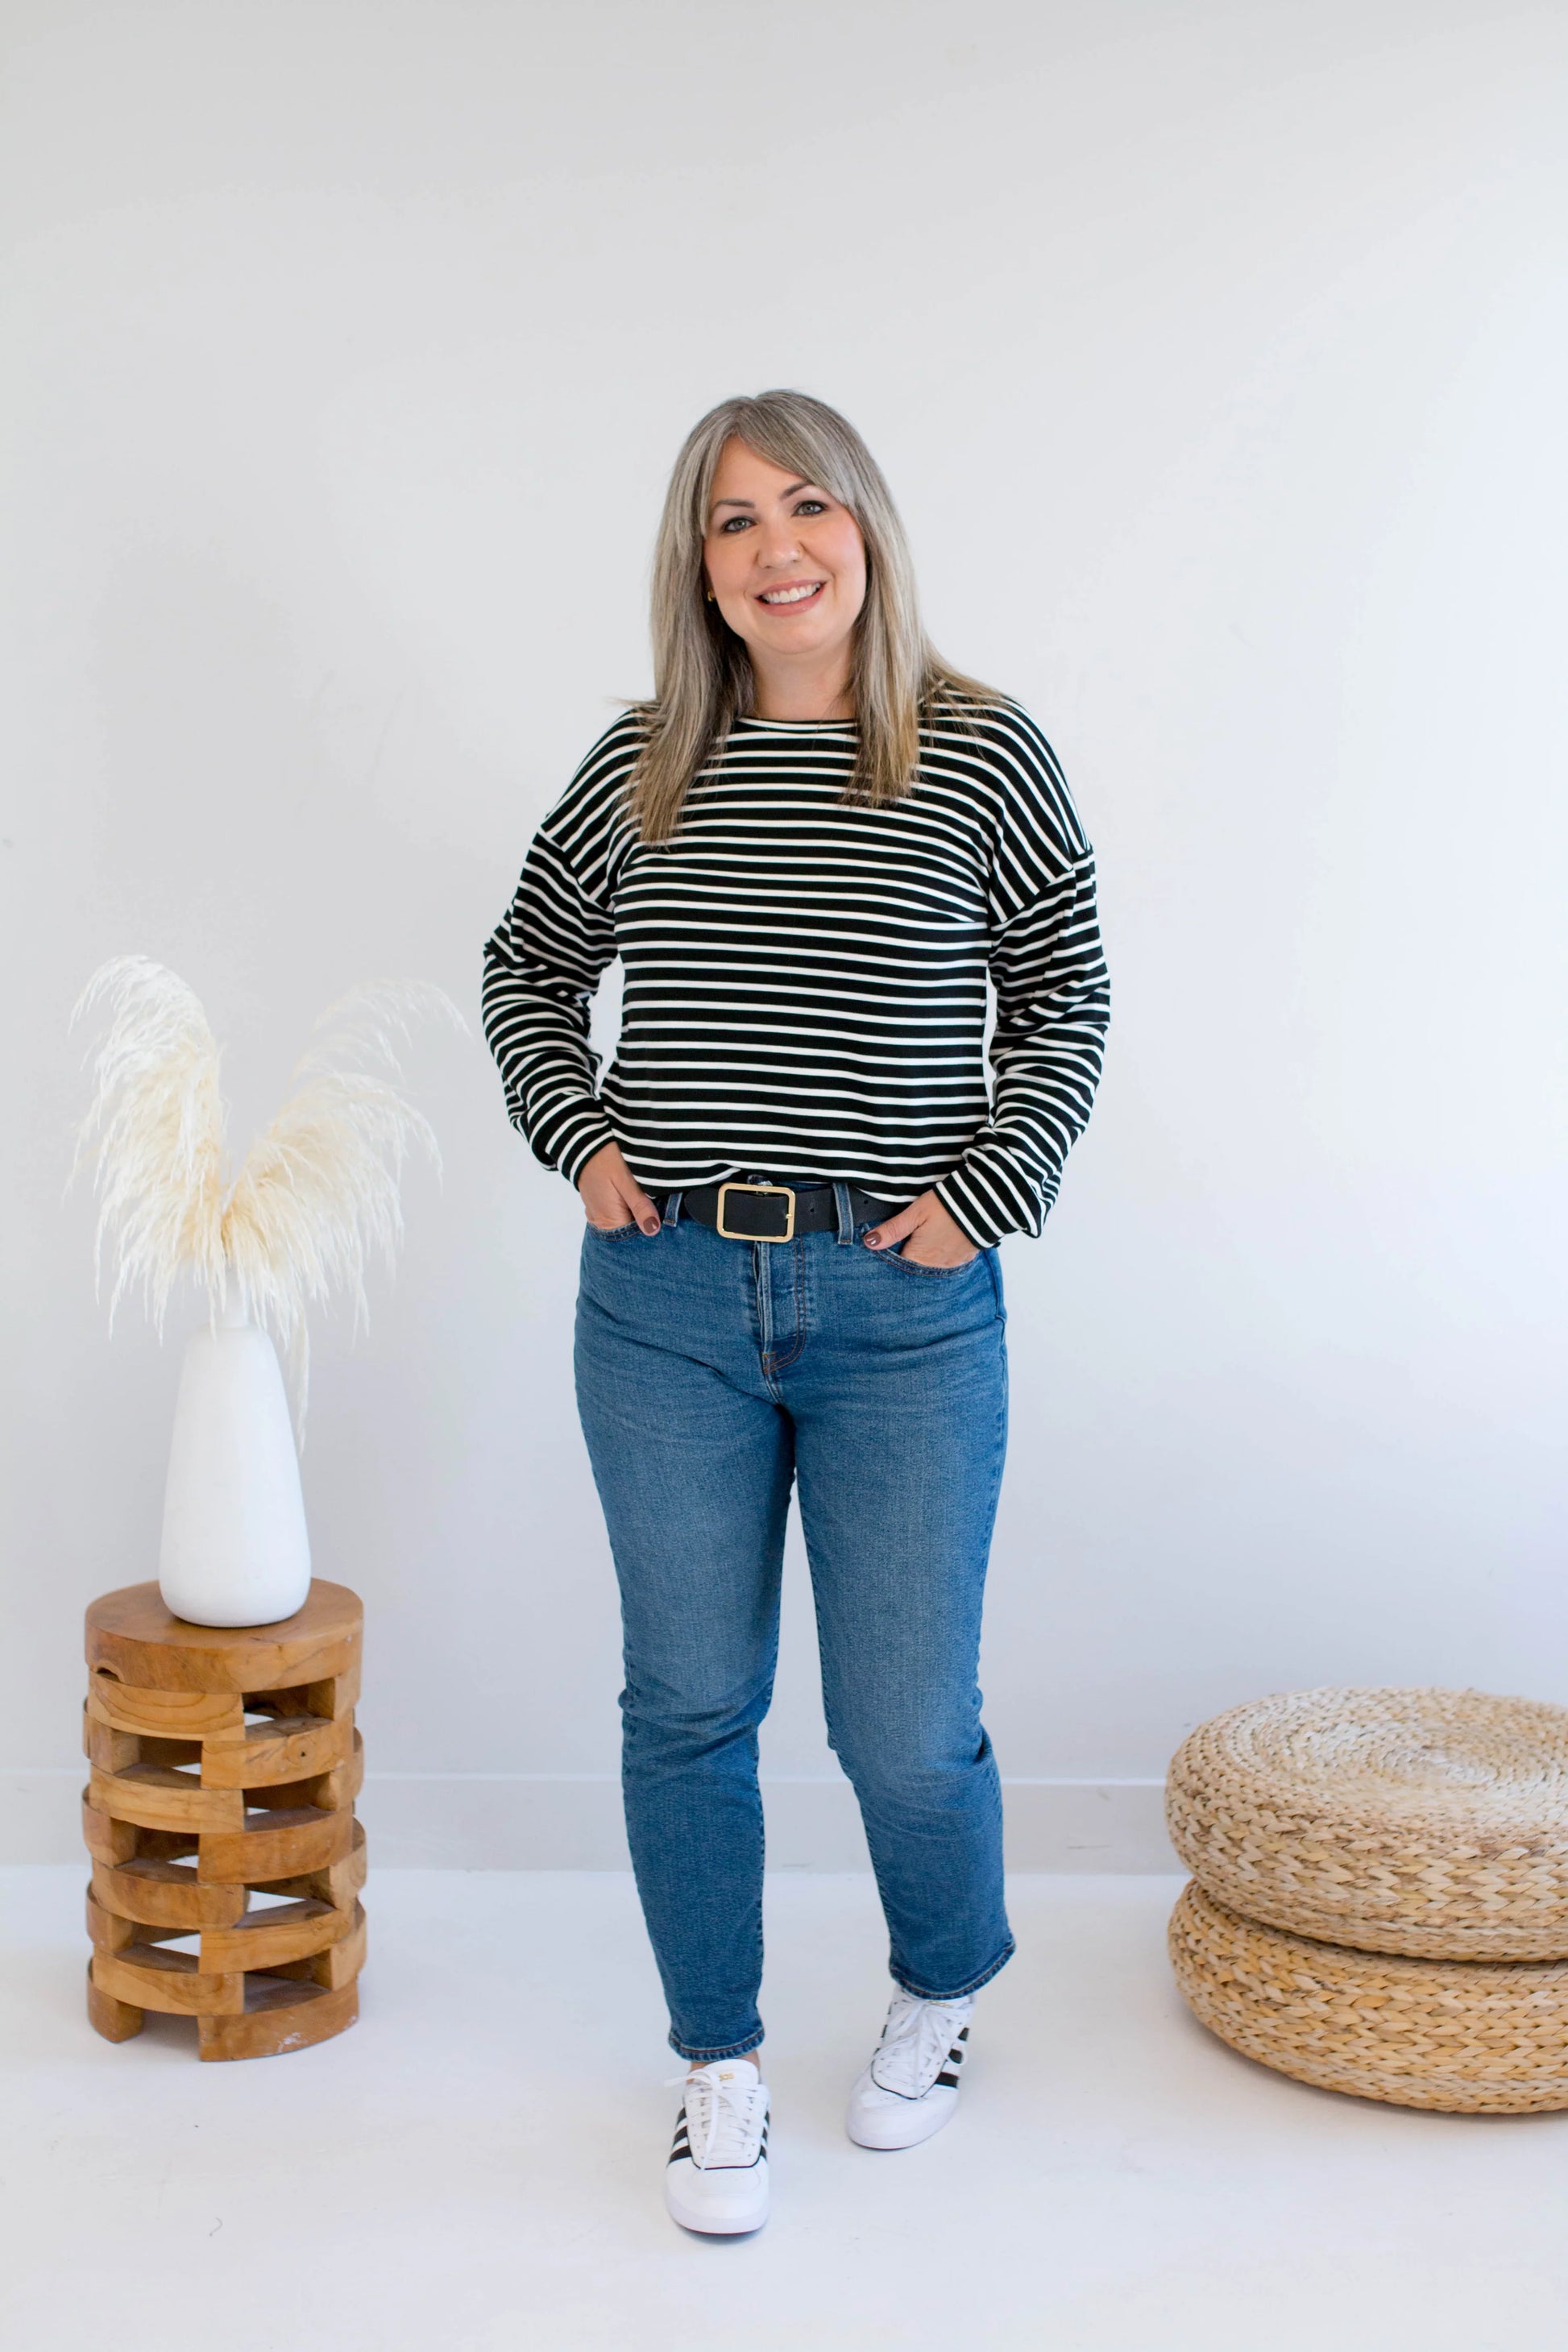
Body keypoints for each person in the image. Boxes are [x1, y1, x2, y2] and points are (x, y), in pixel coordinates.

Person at [482, 389, 1109, 2235]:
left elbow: (1063, 996)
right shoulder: (643, 758)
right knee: (687, 1702)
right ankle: (719, 2062)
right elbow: (528, 966)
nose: (777, 547)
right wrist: (580, 1133)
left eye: (807, 505)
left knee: (905, 1725)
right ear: (700, 565)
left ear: (866, 528)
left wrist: (983, 1191)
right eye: (735, 518)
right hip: (665, 1300)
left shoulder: (978, 751)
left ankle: (942, 1982)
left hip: (904, 1306)